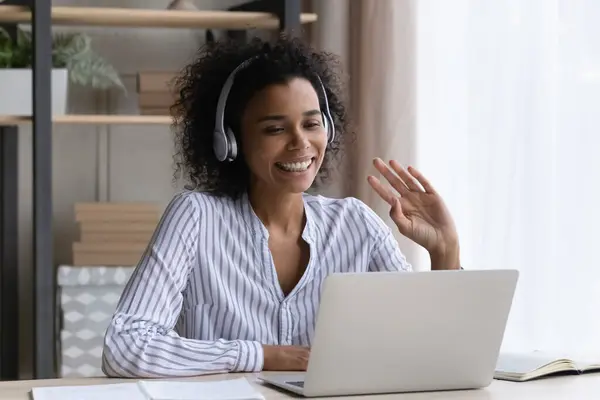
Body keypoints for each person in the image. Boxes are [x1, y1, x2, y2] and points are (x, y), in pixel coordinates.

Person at [101, 35, 462, 379]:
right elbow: (124, 346)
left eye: (311, 124)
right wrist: (261, 355)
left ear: (329, 129)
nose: (300, 143)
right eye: (275, 129)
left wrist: (445, 251)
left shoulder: (356, 225)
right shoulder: (196, 218)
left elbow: (427, 351)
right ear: (231, 141)